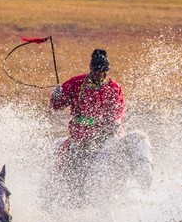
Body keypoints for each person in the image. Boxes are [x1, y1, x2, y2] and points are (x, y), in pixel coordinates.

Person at [50, 48, 126, 189]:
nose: (100, 75)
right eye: (96, 71)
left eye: (103, 72)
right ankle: (64, 186)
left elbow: (118, 108)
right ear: (91, 70)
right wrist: (56, 96)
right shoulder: (76, 83)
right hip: (81, 134)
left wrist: (116, 121)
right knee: (67, 157)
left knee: (124, 151)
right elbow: (57, 105)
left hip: (108, 132)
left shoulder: (114, 88)